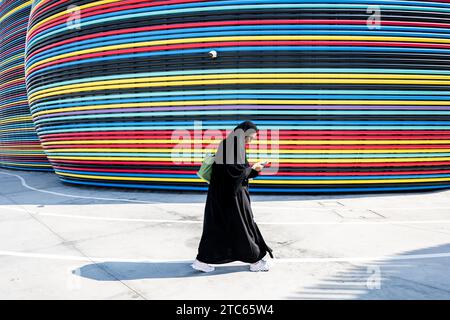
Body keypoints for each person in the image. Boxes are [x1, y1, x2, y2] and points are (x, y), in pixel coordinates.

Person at [192, 121, 274, 272]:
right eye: (250, 137)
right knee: (242, 227)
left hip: (222, 196)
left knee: (217, 229)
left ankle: (202, 261)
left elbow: (237, 171)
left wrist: (254, 169)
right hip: (231, 198)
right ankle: (255, 261)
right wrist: (253, 168)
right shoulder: (232, 147)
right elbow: (234, 174)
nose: (251, 141)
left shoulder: (230, 145)